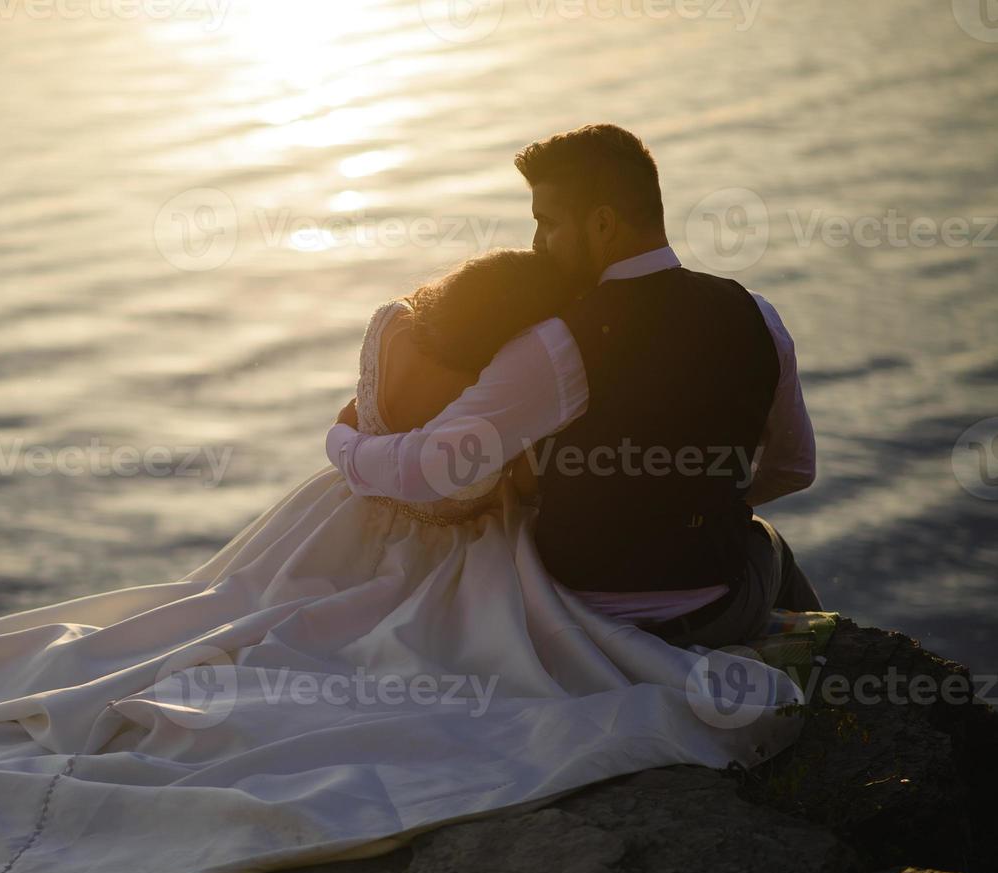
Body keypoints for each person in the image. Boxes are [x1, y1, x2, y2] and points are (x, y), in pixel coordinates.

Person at [0, 242, 802, 873]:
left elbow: (375, 435)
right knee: (368, 660)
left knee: (236, 622)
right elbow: (463, 476)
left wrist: (362, 449)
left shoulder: (398, 329)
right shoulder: (534, 369)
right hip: (442, 532)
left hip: (342, 518)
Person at [329, 123, 821, 651]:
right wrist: (706, 498)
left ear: (604, 224)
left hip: (585, 616)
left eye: (548, 224)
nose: (538, 244)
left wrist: (345, 447)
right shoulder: (756, 315)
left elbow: (434, 468)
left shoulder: (560, 343)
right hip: (721, 607)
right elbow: (794, 469)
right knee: (769, 549)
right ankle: (821, 653)